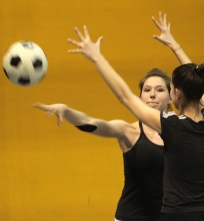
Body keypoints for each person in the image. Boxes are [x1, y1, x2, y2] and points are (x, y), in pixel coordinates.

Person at [67, 11, 204, 221]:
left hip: (177, 215)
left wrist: (97, 58)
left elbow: (125, 97)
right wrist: (175, 47)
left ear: (174, 93)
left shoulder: (172, 126)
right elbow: (197, 82)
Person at [34, 13, 188, 221]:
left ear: (171, 95)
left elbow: (202, 93)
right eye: (147, 89)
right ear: (140, 96)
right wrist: (67, 112)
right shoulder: (128, 131)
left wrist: (175, 46)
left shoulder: (183, 129)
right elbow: (93, 124)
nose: (152, 94)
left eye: (159, 89)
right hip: (130, 217)